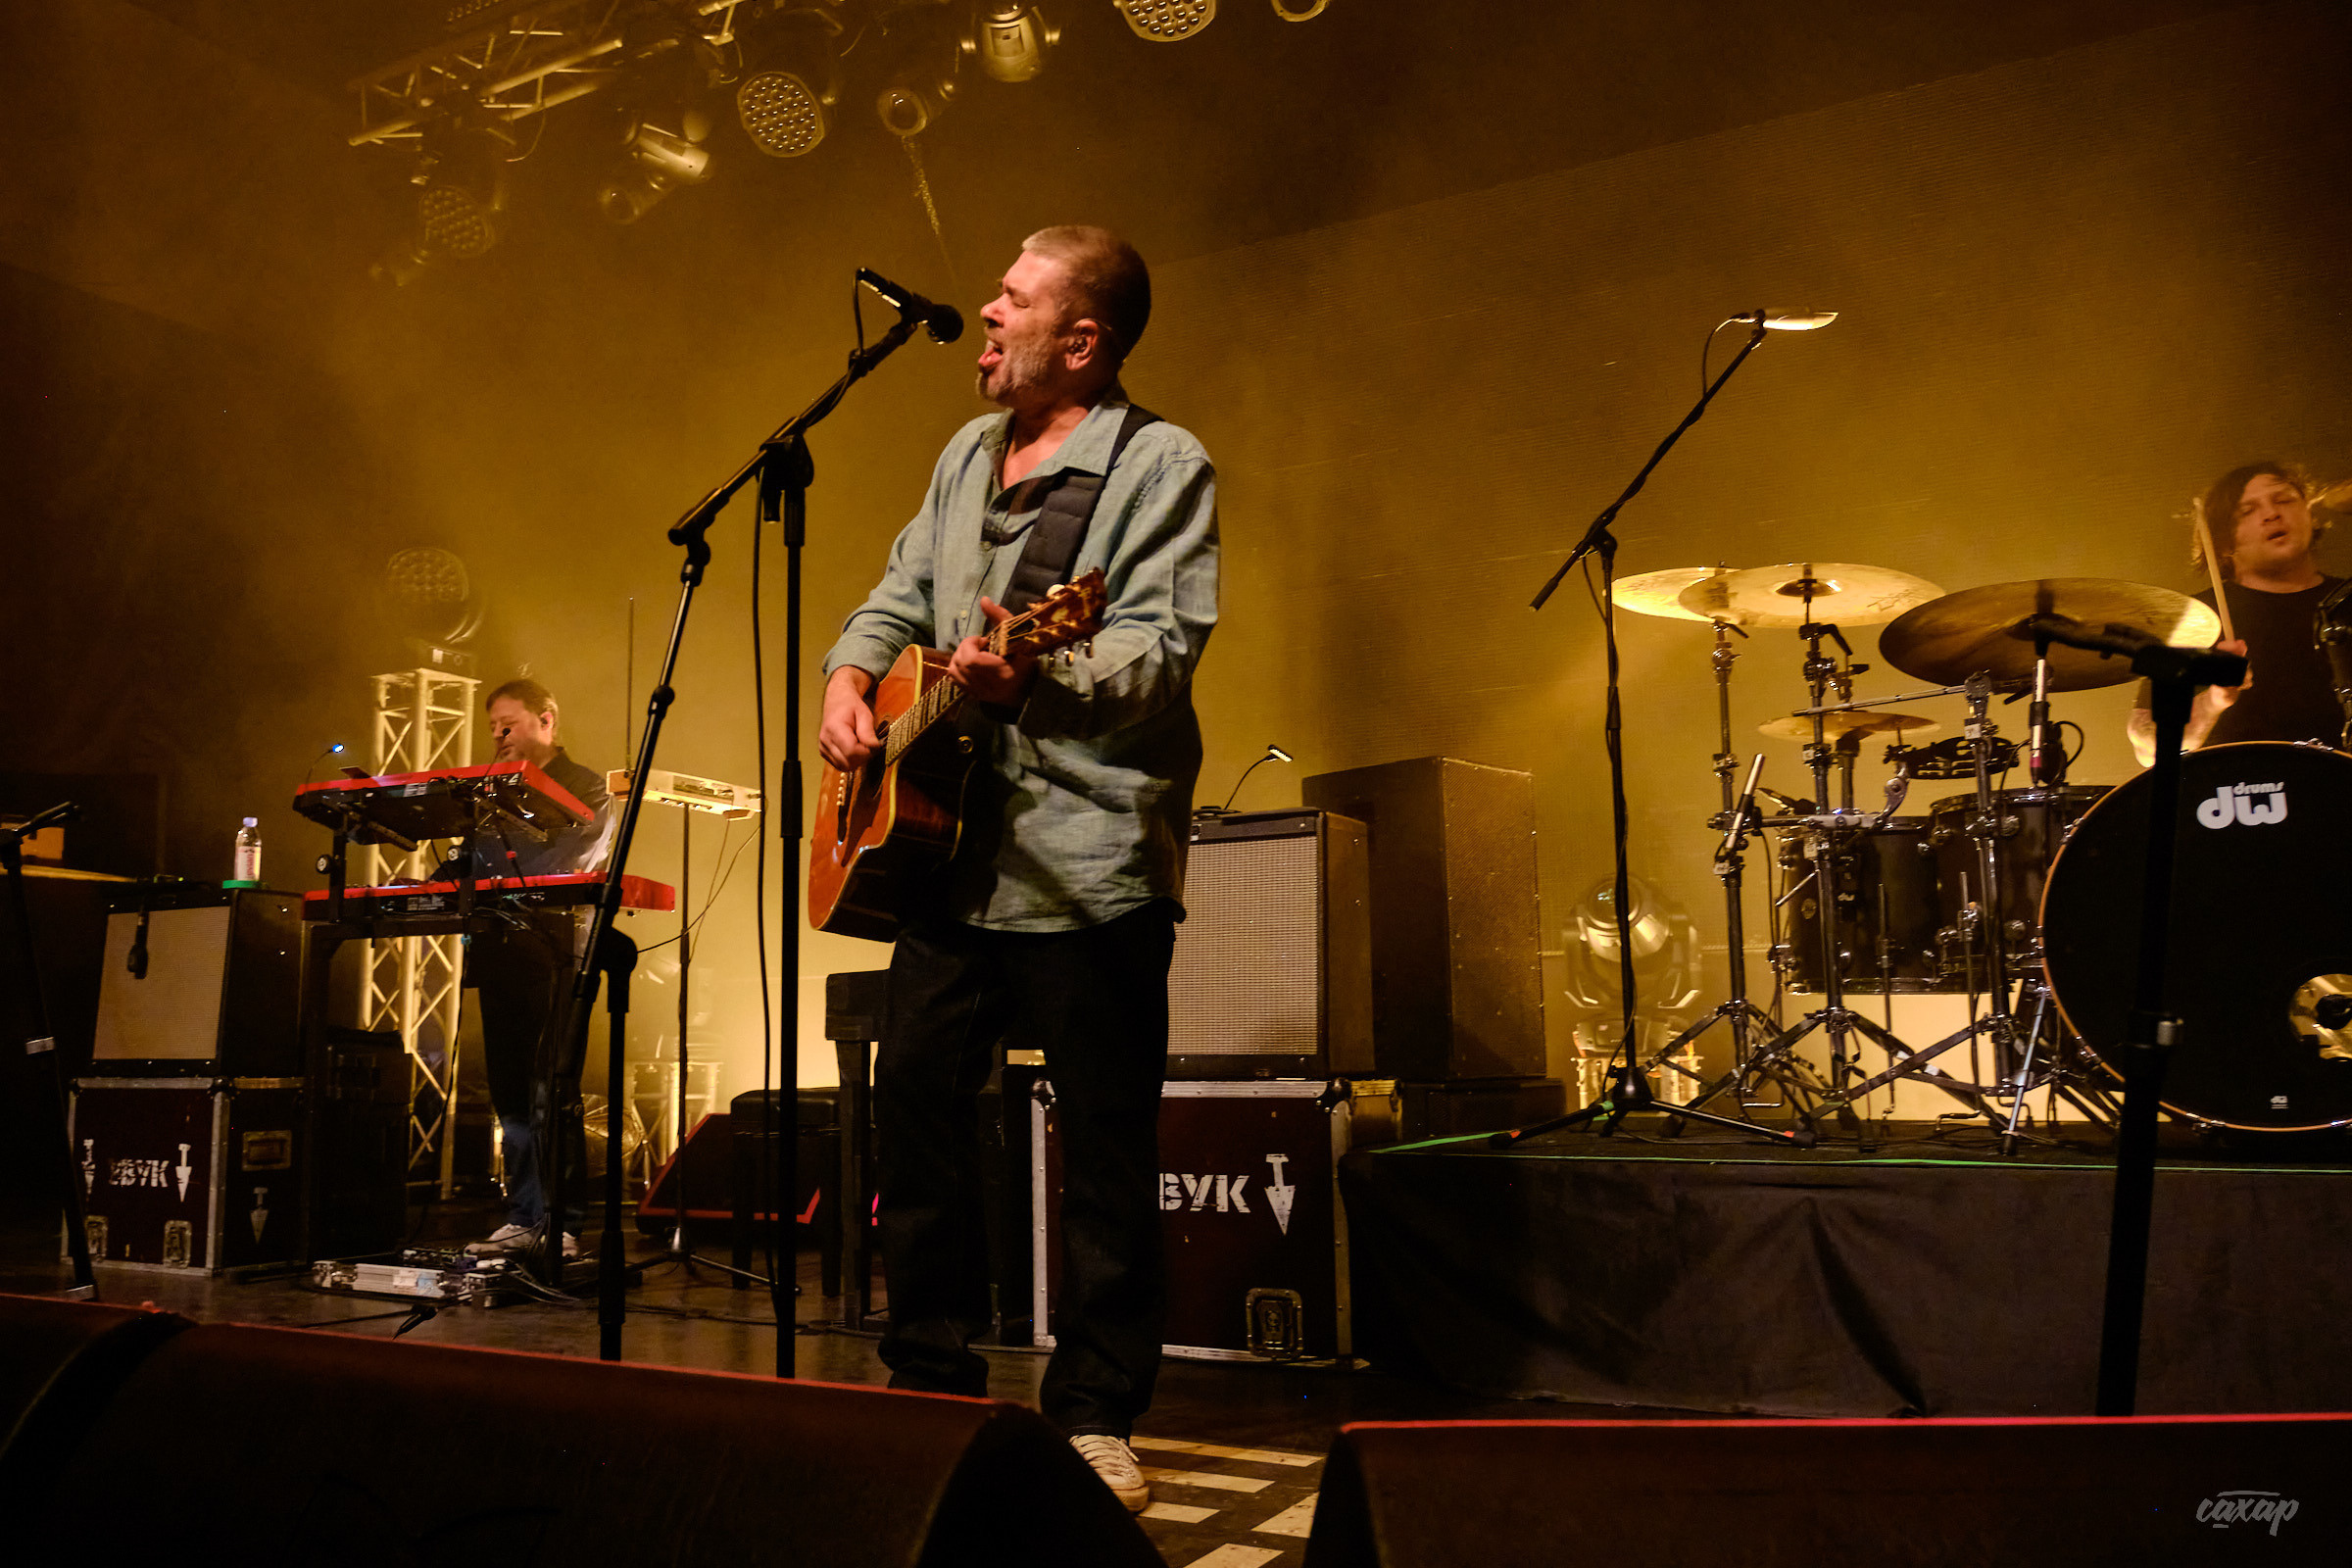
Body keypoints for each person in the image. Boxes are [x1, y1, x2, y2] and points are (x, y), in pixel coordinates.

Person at [815, 226, 1217, 1511]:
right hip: (950, 857)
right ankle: (930, 1385)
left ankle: (1095, 1412)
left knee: (1103, 1152)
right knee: (917, 1119)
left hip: (1089, 863)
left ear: (1082, 340)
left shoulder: (1159, 465)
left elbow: (1159, 654)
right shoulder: (964, 455)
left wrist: (1036, 672)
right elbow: (899, 591)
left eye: (1014, 299)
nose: (986, 314)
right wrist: (848, 679)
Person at [453, 677, 615, 1259]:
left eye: (509, 723)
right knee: (510, 1094)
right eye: (493, 726)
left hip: (557, 951)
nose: (498, 734)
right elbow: (469, 860)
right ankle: (525, 1215)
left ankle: (563, 1223)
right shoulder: (489, 791)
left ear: (546, 720)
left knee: (553, 1089)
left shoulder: (587, 786)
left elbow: (576, 858)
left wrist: (501, 881)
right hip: (499, 950)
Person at [2128, 462, 2343, 767]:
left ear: (2310, 514)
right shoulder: (2194, 620)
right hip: (2236, 792)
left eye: (2284, 500)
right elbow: (2148, 747)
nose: (2271, 513)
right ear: (2224, 540)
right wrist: (2212, 702)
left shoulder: (2347, 601)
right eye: (2248, 511)